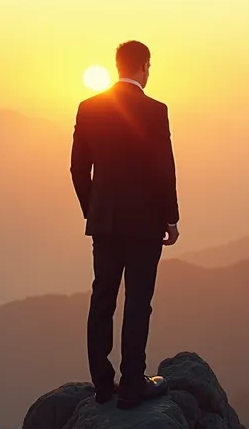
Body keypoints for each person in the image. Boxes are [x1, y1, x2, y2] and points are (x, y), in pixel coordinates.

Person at [71, 40, 180, 409]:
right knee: (137, 302)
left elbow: (77, 169)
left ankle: (102, 385)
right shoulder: (155, 111)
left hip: (105, 223)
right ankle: (132, 382)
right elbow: (163, 167)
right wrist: (171, 218)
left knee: (102, 298)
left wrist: (94, 210)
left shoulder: (88, 108)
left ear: (117, 66)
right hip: (145, 224)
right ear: (144, 67)